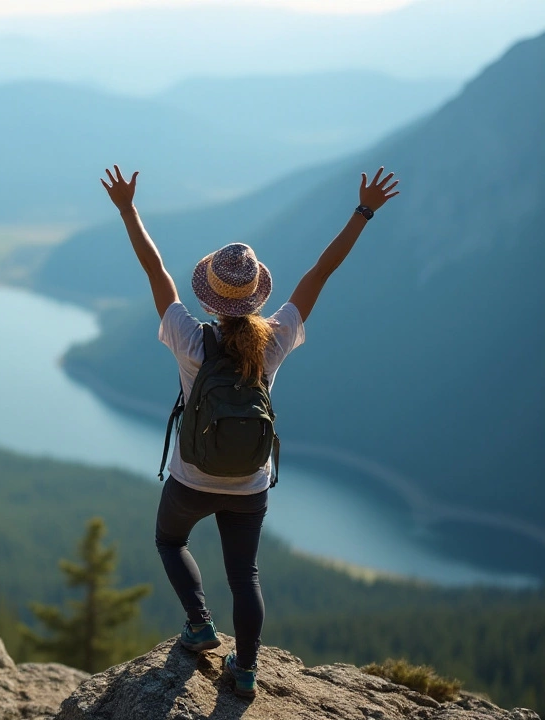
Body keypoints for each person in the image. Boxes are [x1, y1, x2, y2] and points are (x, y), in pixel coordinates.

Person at [100, 165, 400, 698]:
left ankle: (199, 624)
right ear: (258, 295)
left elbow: (155, 270)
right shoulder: (275, 340)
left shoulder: (188, 338)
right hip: (250, 483)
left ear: (210, 297)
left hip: (191, 476)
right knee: (246, 576)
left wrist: (127, 208)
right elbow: (318, 274)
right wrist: (363, 211)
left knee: (170, 540)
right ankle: (245, 670)